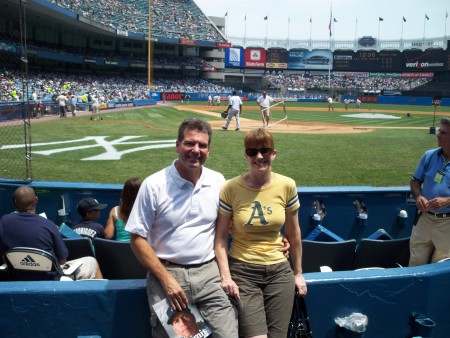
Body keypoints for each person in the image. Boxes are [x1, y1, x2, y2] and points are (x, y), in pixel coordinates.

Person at [125, 118, 239, 338]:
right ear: (177, 145)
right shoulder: (154, 184)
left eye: (202, 145)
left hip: (209, 273)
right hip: (168, 273)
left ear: (209, 149)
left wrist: (271, 240)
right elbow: (137, 238)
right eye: (189, 143)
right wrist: (166, 280)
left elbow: (229, 227)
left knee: (228, 335)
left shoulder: (218, 181)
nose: (195, 150)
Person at [214, 128, 307, 338]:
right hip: (243, 271)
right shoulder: (230, 188)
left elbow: (294, 233)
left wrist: (298, 273)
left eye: (264, 150)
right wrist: (226, 276)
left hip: (279, 272)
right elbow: (220, 238)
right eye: (252, 151)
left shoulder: (287, 185)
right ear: (245, 155)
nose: (259, 156)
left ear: (274, 153)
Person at [0, 186, 103, 280]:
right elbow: (62, 261)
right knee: (91, 261)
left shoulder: (3, 222)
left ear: (14, 202)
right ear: (36, 200)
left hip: (15, 277)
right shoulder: (49, 225)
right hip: (50, 280)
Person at [409, 117, 450, 266]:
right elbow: (415, 182)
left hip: (447, 223)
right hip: (424, 219)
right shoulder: (429, 155)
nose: (438, 135)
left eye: (443, 132)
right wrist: (419, 196)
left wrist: (447, 201)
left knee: (440, 267)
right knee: (415, 263)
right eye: (439, 131)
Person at [105, 177, 142, 241]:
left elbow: (108, 235)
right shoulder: (145, 210)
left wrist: (109, 222)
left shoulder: (115, 211)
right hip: (139, 249)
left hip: (119, 249)